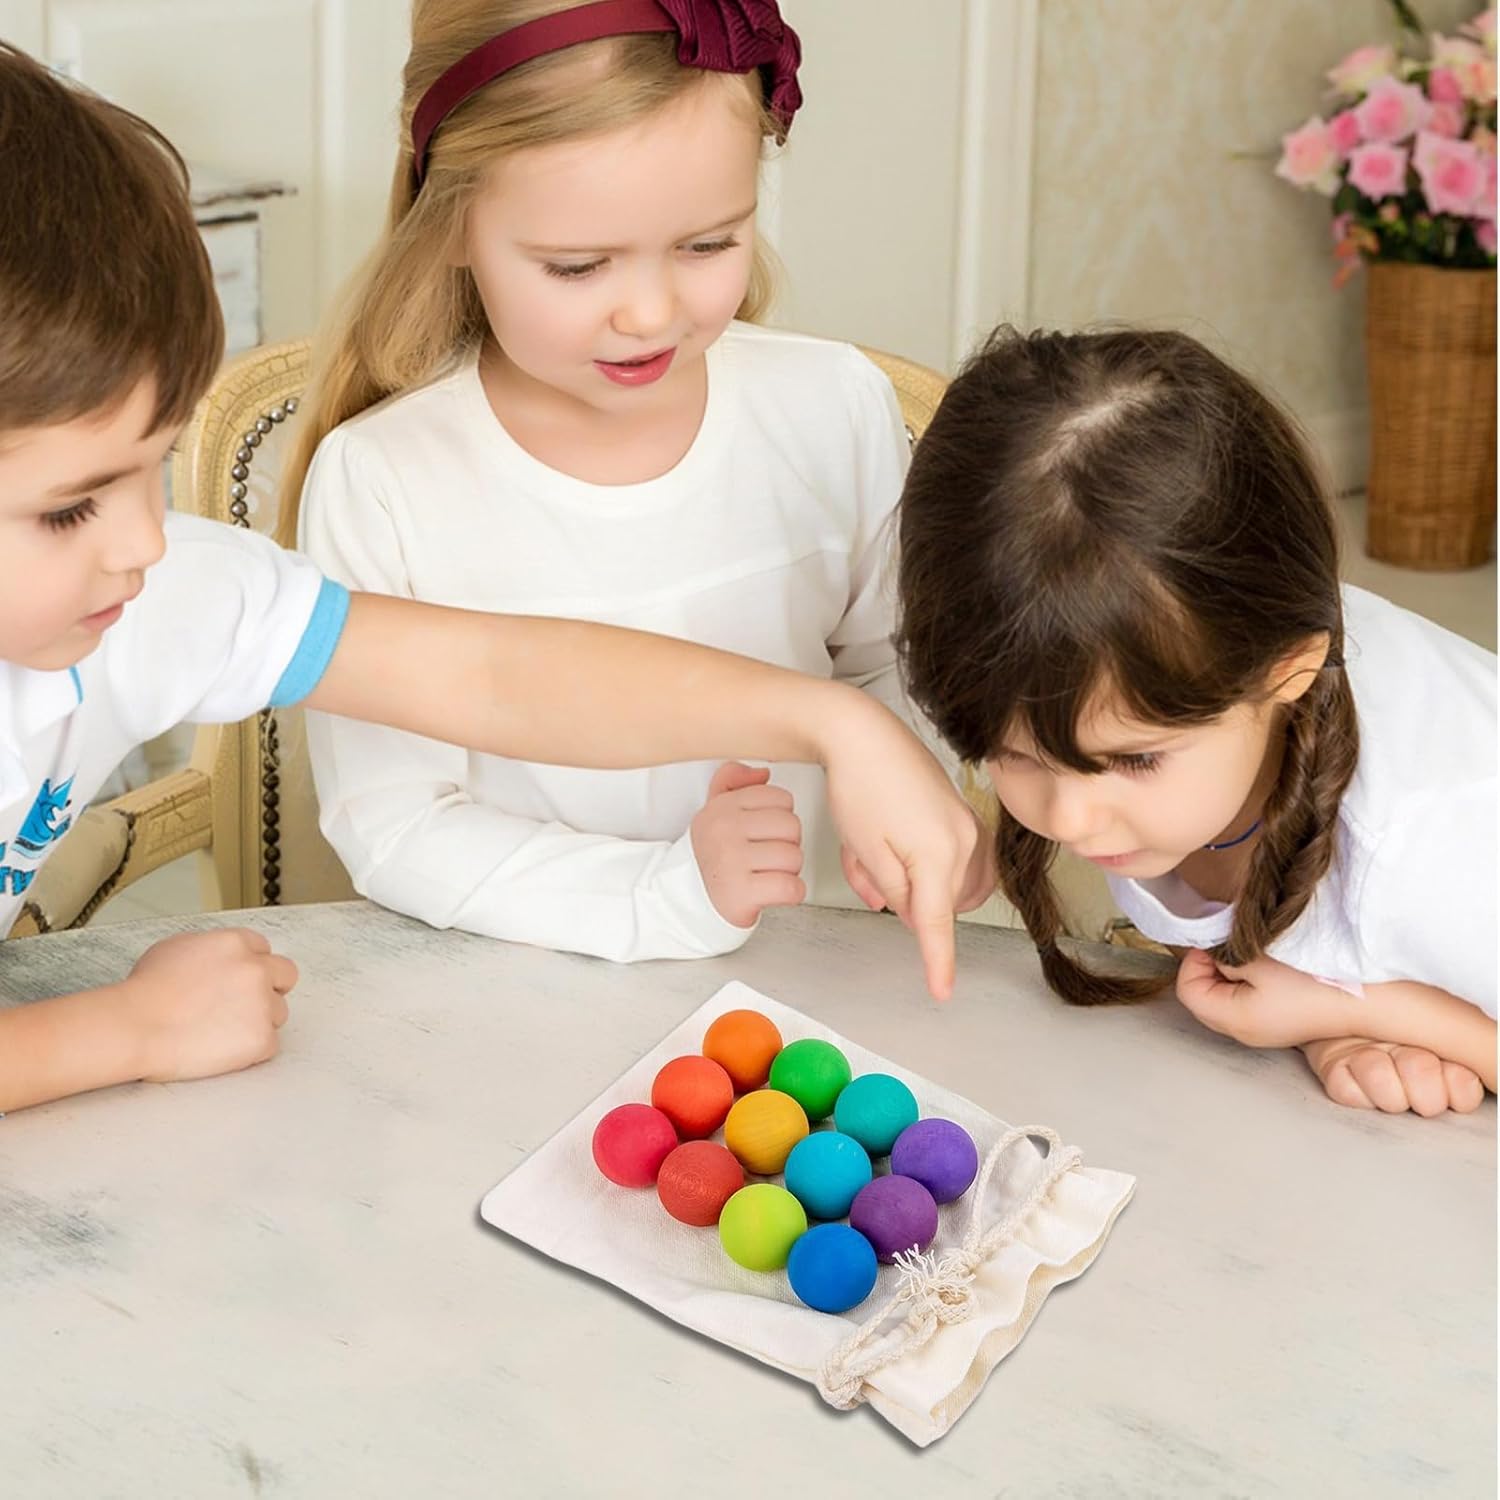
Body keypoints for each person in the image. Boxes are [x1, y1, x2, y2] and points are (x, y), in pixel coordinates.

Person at [0, 40, 982, 1114]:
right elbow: (406, 814)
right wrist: (123, 1030)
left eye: (152, 467)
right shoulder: (376, 479)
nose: (147, 542)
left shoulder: (169, 598)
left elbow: (501, 679)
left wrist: (841, 726)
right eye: (68, 508)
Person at [282, 0, 981, 962]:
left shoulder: (833, 407)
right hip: (529, 989)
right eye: (577, 266)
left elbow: (899, 665)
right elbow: (396, 824)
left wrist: (922, 804)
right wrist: (667, 896)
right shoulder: (385, 480)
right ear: (448, 224)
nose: (650, 314)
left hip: (822, 974)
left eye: (708, 245)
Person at [895, 324, 1495, 1116]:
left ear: (1289, 671)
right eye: (1016, 754)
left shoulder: (1435, 847)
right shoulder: (1188, 670)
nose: (1068, 819)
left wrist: (1364, 1010)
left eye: (1135, 759)